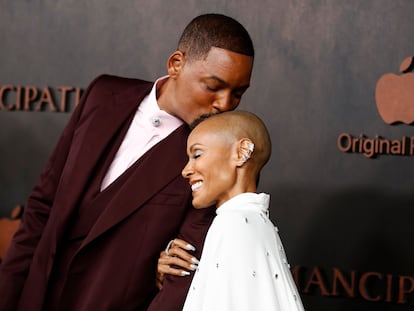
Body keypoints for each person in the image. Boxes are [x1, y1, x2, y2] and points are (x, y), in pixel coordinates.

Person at [0, 13, 254, 311]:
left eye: (237, 93)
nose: (224, 104)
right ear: (176, 64)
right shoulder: (103, 94)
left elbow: (181, 278)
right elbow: (42, 207)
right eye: (213, 86)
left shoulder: (216, 157)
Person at [156, 111, 305, 311]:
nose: (186, 170)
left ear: (242, 152)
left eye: (197, 154)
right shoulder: (257, 221)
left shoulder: (231, 223)